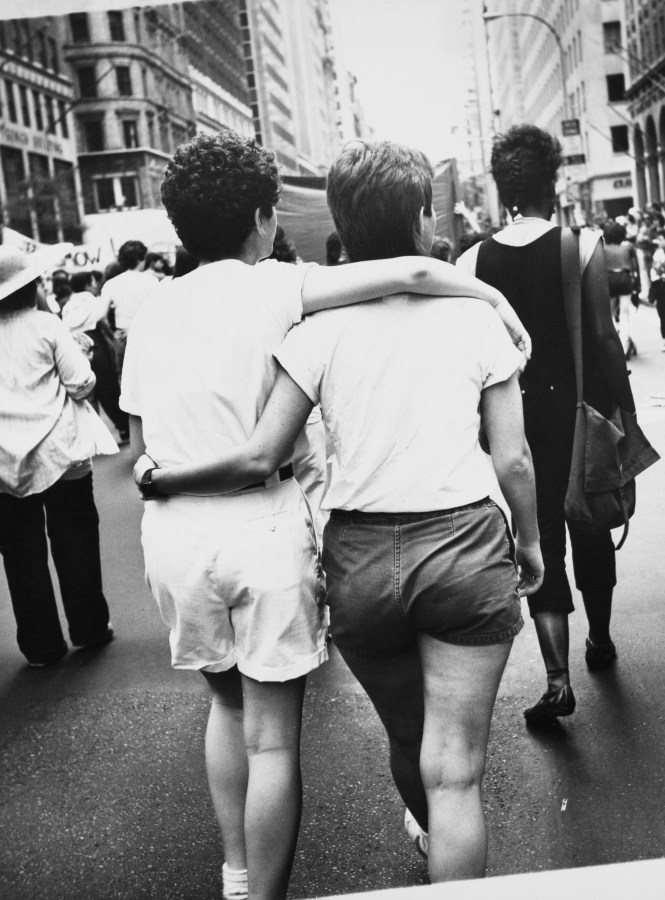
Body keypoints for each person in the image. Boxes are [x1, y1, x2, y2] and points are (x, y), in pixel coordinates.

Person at [120, 130, 531, 899]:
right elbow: (411, 271)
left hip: (178, 535)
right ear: (261, 215)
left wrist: (161, 476)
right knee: (277, 740)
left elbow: (139, 447)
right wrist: (487, 291)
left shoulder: (153, 311)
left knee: (224, 701)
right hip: (268, 526)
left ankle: (237, 875)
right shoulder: (275, 286)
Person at [457, 124, 636, 726]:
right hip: (577, 414)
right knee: (589, 524)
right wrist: (626, 409)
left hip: (513, 425)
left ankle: (557, 680)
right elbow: (605, 339)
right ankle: (601, 641)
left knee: (538, 541)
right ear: (552, 181)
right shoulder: (580, 247)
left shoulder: (472, 259)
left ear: (502, 185)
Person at [0, 246, 114, 668]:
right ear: (31, 286)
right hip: (61, 453)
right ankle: (88, 627)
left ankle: (41, 645)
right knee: (76, 540)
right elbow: (82, 384)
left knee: (20, 553)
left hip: (4, 465)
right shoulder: (47, 326)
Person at [65, 270, 129, 443]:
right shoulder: (91, 300)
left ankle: (95, 435)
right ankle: (124, 427)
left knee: (89, 393)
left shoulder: (68, 305)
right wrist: (113, 340)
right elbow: (101, 321)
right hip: (96, 345)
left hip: (77, 349)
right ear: (87, 284)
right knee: (109, 389)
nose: (95, 285)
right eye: (93, 282)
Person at [100, 240, 155, 371]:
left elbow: (100, 317)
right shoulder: (151, 281)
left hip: (122, 338)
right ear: (141, 259)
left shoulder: (111, 284)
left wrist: (113, 340)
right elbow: (157, 312)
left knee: (125, 381)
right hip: (146, 335)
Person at [603, 220, 639, 359]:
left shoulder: (603, 248)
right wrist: (637, 286)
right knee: (624, 313)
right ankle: (624, 346)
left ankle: (613, 344)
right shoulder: (628, 247)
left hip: (609, 279)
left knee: (610, 313)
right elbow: (634, 267)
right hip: (625, 278)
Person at [650, 230, 665, 350]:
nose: (658, 242)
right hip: (661, 285)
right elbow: (656, 268)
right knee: (663, 313)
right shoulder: (659, 252)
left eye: (660, 239)